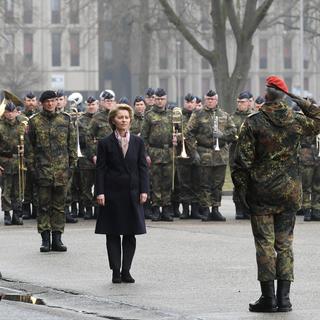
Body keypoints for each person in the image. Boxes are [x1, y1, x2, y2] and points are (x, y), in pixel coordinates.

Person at [232, 76, 320, 313]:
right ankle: (285, 299)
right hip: (289, 192)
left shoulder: (254, 122)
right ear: (284, 95)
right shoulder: (296, 120)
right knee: (285, 245)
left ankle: (268, 299)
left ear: (266, 93)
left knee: (265, 245)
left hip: (261, 193)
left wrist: (241, 193)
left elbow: (242, 163)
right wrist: (298, 99)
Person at [95, 104, 149, 284]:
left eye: (127, 117)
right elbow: (100, 170)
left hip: (132, 193)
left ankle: (127, 270)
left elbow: (143, 168)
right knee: (112, 233)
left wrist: (144, 190)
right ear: (113, 120)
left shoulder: (138, 142)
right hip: (111, 193)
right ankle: (115, 271)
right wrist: (100, 191)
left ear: (131, 120)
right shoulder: (104, 143)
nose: (124, 120)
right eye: (120, 117)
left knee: (129, 233)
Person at [26, 90, 77, 252]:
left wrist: (71, 167)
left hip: (62, 171)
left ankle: (57, 238)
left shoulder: (66, 120)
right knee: (43, 206)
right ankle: (45, 239)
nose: (50, 104)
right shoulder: (34, 122)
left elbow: (72, 146)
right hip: (42, 171)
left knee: (59, 206)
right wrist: (33, 169)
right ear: (41, 103)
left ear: (57, 102)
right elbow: (30, 148)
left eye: (53, 100)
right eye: (47, 101)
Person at [184, 90, 237, 221]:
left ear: (216, 100)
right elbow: (188, 133)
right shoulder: (198, 114)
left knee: (218, 184)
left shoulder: (224, 115)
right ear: (204, 100)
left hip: (220, 154)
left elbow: (233, 132)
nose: (210, 101)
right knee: (204, 183)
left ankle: (216, 209)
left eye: (212, 99)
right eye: (208, 99)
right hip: (204, 152)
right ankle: (206, 210)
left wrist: (222, 135)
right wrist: (193, 151)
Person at [141, 88, 175, 221]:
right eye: (157, 99)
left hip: (168, 151)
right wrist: (146, 154)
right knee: (155, 182)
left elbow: (179, 133)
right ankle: (155, 209)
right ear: (154, 100)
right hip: (154, 152)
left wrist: (176, 139)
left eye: (162, 99)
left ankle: (166, 209)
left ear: (166, 99)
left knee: (167, 182)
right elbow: (143, 137)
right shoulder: (149, 115)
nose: (160, 102)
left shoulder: (172, 115)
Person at [0, 102, 26, 226]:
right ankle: (6, 214)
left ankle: (17, 214)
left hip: (19, 162)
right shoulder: (0, 126)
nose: (10, 114)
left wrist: (24, 150)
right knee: (6, 190)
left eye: (13, 111)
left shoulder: (22, 126)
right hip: (4, 161)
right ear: (5, 112)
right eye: (8, 111)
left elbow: (29, 143)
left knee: (18, 190)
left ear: (16, 112)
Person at [230, 91, 252, 220]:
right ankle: (239, 208)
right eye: (238, 102)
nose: (240, 104)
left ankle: (248, 208)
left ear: (249, 102)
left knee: (251, 183)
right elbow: (227, 133)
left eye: (242, 102)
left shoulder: (255, 117)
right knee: (238, 183)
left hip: (251, 156)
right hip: (236, 155)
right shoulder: (232, 117)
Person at [78, 96, 99, 219]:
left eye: (93, 104)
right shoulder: (80, 120)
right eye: (89, 104)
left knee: (99, 184)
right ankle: (88, 209)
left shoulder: (103, 118)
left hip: (100, 156)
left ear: (97, 105)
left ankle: (97, 208)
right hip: (85, 156)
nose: (91, 107)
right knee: (86, 185)